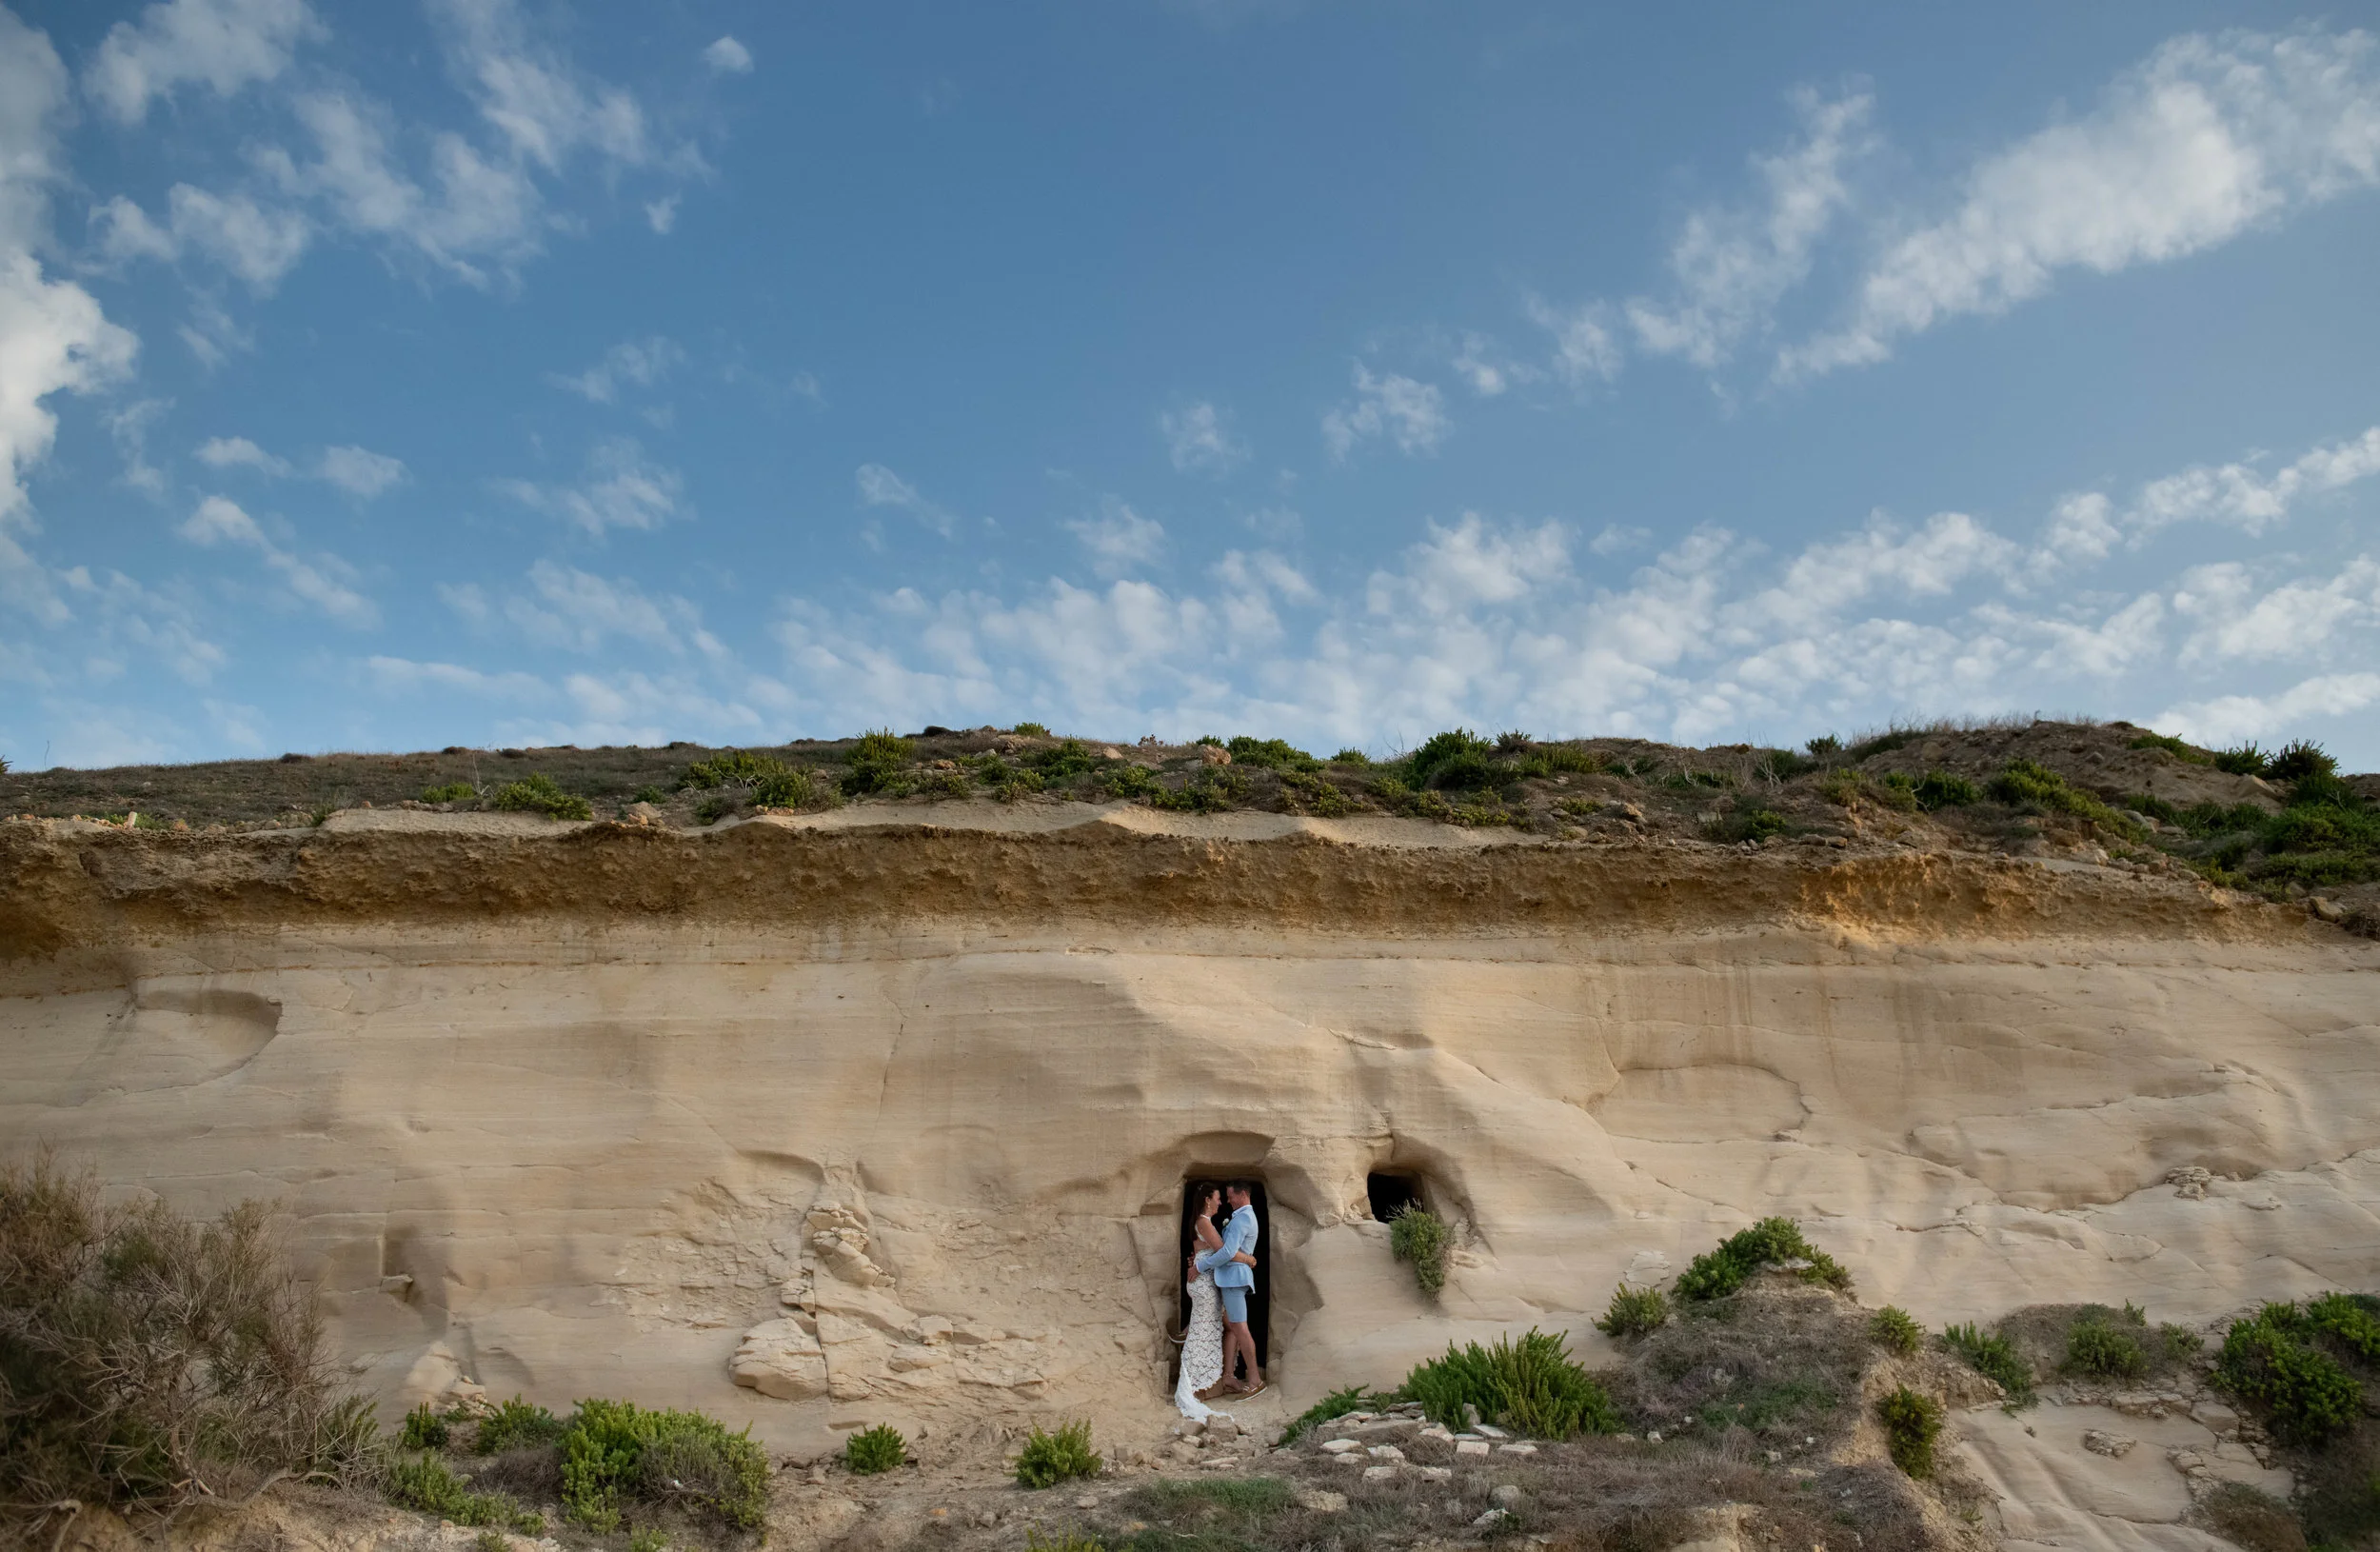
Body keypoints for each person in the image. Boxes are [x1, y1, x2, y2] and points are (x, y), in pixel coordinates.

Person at [1194, 1181, 1263, 1399]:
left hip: (1233, 1278)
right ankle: (1232, 1376)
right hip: (1231, 1278)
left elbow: (1226, 1253)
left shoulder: (1242, 1219)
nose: (1228, 1200)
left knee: (1240, 1328)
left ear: (1242, 1194)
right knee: (1235, 1326)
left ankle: (1254, 1381)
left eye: (1231, 1196)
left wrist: (1200, 1266)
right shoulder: (1241, 1218)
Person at [1173, 1184, 1228, 1418]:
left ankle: (1203, 1383)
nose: (1220, 1202)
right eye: (1217, 1198)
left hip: (1204, 1281)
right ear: (1207, 1200)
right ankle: (1193, 1385)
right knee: (1202, 1332)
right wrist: (1245, 1257)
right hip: (1203, 1283)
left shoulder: (1203, 1222)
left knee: (1205, 1330)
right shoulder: (1204, 1221)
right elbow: (1222, 1250)